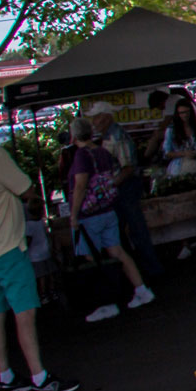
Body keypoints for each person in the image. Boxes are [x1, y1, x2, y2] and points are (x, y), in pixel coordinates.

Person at [0, 101, 77, 391]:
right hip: (6, 245)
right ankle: (39, 377)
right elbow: (26, 190)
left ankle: (6, 376)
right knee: (25, 313)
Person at [65, 119, 152, 322]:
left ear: (75, 135)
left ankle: (106, 302)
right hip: (107, 209)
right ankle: (141, 288)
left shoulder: (81, 156)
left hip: (89, 214)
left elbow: (80, 185)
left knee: (91, 258)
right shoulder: (102, 151)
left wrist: (74, 215)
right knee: (117, 251)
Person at [85, 101, 160, 276]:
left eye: (97, 118)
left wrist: (110, 185)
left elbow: (128, 168)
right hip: (120, 187)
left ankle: (150, 269)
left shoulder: (117, 136)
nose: (95, 122)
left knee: (136, 229)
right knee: (125, 231)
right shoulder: (108, 136)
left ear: (106, 117)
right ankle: (139, 269)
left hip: (125, 187)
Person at [160, 93, 196, 177]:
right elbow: (167, 153)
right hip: (179, 168)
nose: (184, 115)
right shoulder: (171, 130)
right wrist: (184, 153)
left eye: (187, 112)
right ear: (177, 114)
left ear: (191, 112)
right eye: (181, 113)